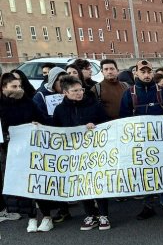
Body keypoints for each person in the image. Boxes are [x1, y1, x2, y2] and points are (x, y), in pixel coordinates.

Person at [121, 59, 163, 219]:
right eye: (143, 71)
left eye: (149, 71)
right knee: (146, 174)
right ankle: (148, 205)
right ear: (136, 73)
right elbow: (123, 120)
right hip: (141, 144)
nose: (147, 75)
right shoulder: (130, 93)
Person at [51, 76, 112, 231]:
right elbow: (55, 130)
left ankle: (104, 215)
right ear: (65, 92)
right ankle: (90, 214)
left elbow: (106, 124)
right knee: (81, 184)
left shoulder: (94, 105)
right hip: (74, 154)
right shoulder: (60, 110)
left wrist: (95, 126)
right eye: (75, 91)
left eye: (81, 90)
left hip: (94, 152)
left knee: (97, 182)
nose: (79, 93)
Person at [0, 72, 47, 224]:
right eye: (13, 86)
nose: (18, 89)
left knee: (34, 180)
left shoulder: (27, 102)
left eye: (19, 86)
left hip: (29, 148)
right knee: (19, 183)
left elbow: (43, 119)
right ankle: (31, 216)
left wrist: (38, 124)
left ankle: (45, 215)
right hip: (8, 150)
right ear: (3, 88)